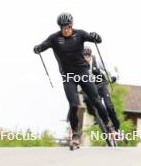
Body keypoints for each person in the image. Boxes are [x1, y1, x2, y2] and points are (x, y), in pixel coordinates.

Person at [33, 13, 112, 145]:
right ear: (60, 27)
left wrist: (96, 37)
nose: (66, 30)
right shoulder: (54, 38)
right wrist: (38, 48)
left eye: (68, 27)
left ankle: (109, 125)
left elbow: (97, 40)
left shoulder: (80, 34)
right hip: (68, 76)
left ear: (72, 24)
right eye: (63, 27)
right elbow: (43, 45)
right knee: (74, 105)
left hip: (83, 73)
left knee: (97, 101)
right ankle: (75, 134)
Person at [82, 46, 121, 132]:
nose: (86, 59)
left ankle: (116, 126)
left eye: (87, 57)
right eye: (84, 57)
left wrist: (113, 76)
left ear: (90, 56)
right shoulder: (79, 65)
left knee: (109, 107)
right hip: (90, 88)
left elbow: (108, 68)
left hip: (101, 85)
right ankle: (97, 118)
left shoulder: (97, 61)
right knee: (90, 102)